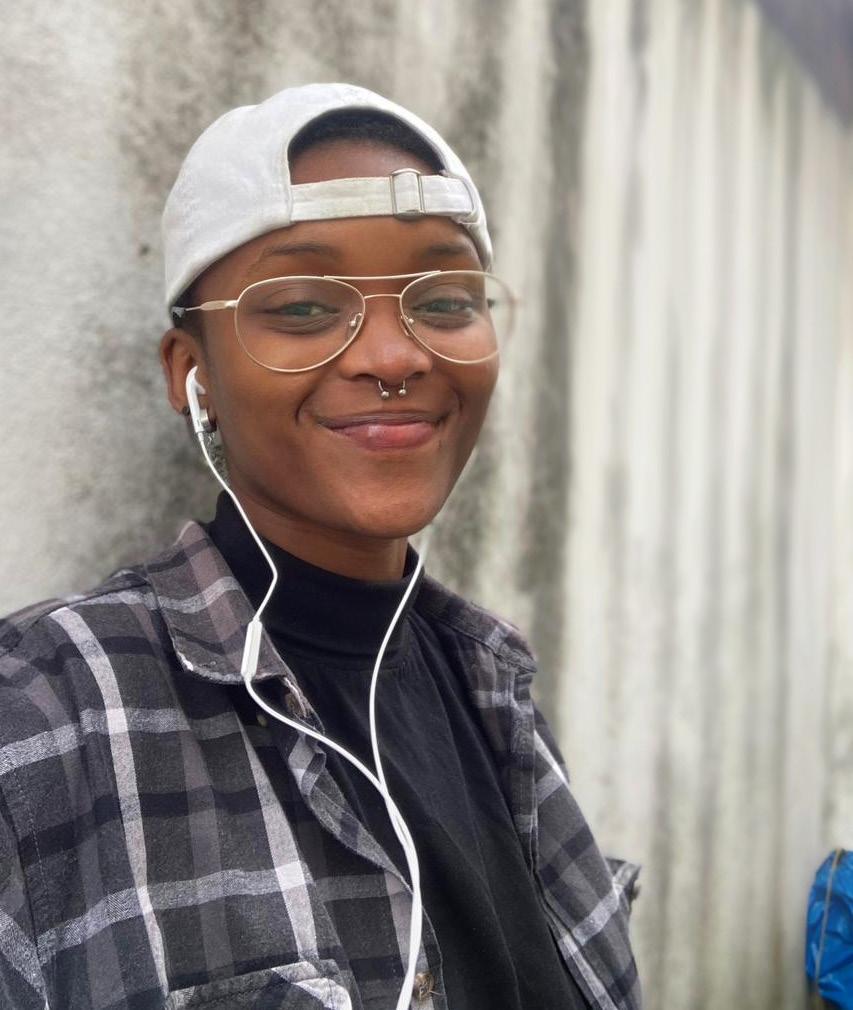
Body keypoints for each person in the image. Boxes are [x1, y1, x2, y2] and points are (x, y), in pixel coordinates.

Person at [0, 83, 640, 1009]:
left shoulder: (496, 690)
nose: (395, 356)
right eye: (303, 308)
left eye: (444, 299)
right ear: (191, 374)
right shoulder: (44, 718)